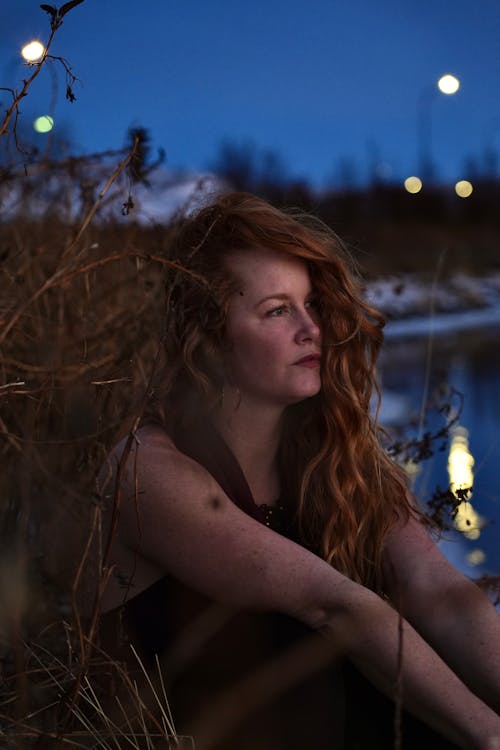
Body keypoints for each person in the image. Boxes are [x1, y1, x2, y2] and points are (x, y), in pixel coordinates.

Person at [97, 191, 500, 749]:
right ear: (208, 337)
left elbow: (437, 590)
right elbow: (334, 605)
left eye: (311, 304)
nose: (312, 328)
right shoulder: (150, 470)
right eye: (277, 310)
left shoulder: (336, 461)